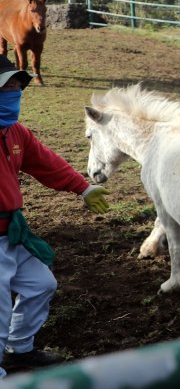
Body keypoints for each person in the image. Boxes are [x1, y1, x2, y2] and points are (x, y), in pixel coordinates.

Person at [0, 55, 111, 376]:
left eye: (17, 89)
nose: (13, 95)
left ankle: (18, 350)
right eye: (6, 89)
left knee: (40, 284)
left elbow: (45, 161)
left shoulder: (15, 133)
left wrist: (84, 188)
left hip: (11, 232)